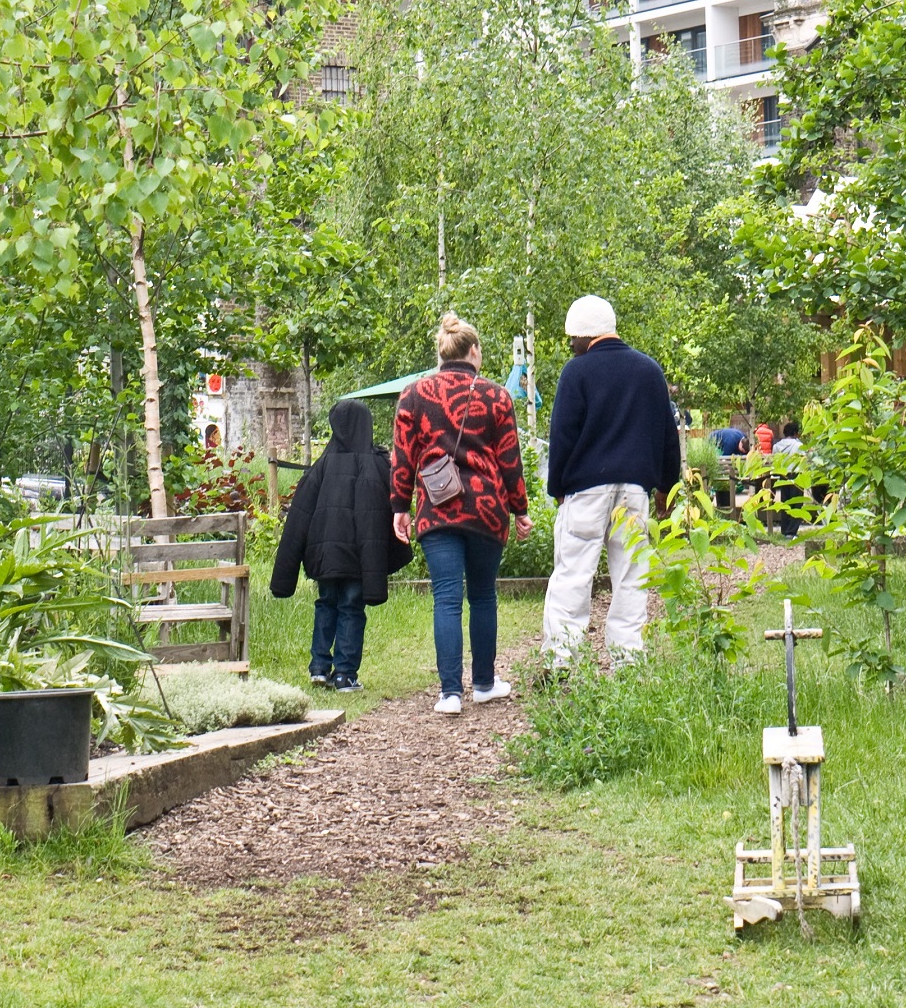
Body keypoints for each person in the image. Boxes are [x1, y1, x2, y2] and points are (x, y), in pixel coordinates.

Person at [391, 313, 530, 715]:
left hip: (437, 509)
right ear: (473, 351)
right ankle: (485, 683)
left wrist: (399, 508)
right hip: (486, 510)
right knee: (484, 595)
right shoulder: (496, 396)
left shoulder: (413, 395)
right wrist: (519, 510)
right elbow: (509, 460)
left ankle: (449, 693)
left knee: (447, 599)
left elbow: (403, 457)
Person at [542, 294, 684, 665]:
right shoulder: (650, 371)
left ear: (586, 336)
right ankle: (627, 660)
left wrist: (557, 487)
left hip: (585, 491)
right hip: (635, 492)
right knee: (631, 577)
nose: (571, 346)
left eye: (573, 339)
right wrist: (666, 488)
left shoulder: (577, 372)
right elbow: (668, 437)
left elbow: (563, 436)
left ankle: (561, 659)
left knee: (573, 575)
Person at [269, 399, 412, 693]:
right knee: (351, 608)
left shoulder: (321, 467)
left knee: (325, 604)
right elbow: (393, 509)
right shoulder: (378, 465)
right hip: (360, 557)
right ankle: (345, 674)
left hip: (325, 557)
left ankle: (319, 667)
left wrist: (286, 571)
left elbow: (298, 518)